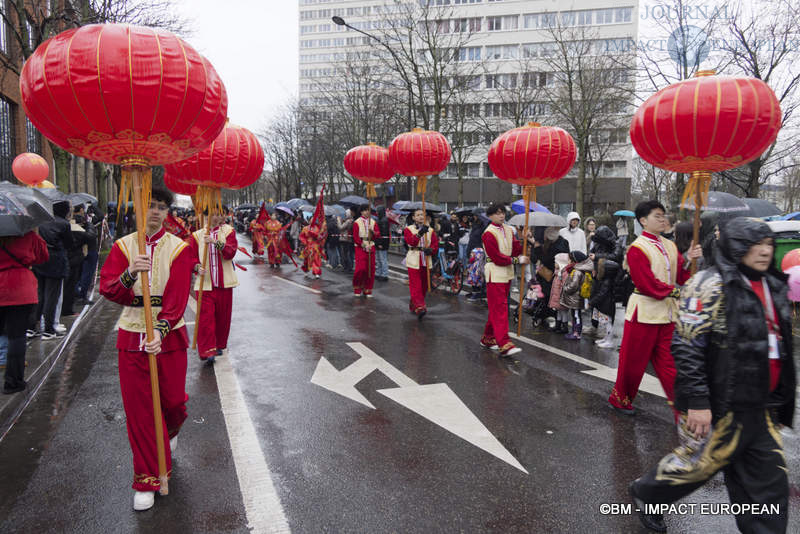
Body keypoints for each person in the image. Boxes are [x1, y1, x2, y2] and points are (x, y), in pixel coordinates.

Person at [629, 217, 795, 534]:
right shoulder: (708, 283)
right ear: (734, 246)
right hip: (723, 404)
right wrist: (698, 401)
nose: (763, 251)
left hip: (762, 406)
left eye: (767, 244)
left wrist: (783, 399)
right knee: (698, 463)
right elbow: (687, 345)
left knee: (769, 482)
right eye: (753, 244)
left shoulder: (773, 283)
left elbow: (780, 345)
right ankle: (647, 492)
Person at [99, 186, 194, 511]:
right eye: (150, 206)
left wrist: (164, 328)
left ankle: (170, 429)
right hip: (132, 333)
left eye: (161, 207)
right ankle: (147, 478)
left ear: (168, 213)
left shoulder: (179, 248)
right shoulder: (123, 247)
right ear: (140, 209)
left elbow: (179, 296)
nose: (155, 212)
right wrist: (129, 274)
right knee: (139, 410)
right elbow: (107, 288)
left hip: (168, 335)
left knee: (172, 402)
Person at [608, 200, 702, 416]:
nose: (663, 219)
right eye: (657, 216)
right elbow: (646, 283)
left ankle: (681, 405)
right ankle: (620, 399)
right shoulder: (637, 248)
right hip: (644, 312)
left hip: (668, 314)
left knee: (670, 363)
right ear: (643, 221)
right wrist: (675, 291)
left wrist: (691, 261)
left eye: (663, 215)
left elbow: (681, 276)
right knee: (632, 363)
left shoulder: (670, 245)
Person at [1, 231, 48, 394]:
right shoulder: (27, 234)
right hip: (20, 289)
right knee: (17, 336)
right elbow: (43, 256)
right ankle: (13, 382)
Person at [188, 210, 238, 362]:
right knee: (205, 319)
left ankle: (218, 345)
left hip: (224, 283)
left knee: (223, 318)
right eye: (211, 214)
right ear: (205, 216)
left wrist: (216, 242)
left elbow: (231, 252)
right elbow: (191, 257)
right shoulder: (196, 235)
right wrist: (196, 267)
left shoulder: (229, 231)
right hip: (205, 284)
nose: (215, 217)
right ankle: (208, 350)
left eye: (218, 214)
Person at [480, 203, 529, 357]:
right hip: (494, 273)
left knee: (497, 307)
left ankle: (488, 338)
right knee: (500, 308)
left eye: (503, 213)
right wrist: (517, 261)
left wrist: (524, 239)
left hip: (506, 273)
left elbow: (515, 249)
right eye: (498, 213)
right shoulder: (488, 233)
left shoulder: (509, 230)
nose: (502, 216)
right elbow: (497, 257)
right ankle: (504, 343)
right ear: (490, 216)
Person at [29, 201, 73, 340]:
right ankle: (49, 329)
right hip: (55, 261)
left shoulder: (41, 222)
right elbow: (69, 243)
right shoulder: (64, 224)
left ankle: (31, 327)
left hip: (40, 260)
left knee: (40, 295)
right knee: (52, 296)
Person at [404, 208, 439, 320]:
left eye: (422, 215)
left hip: (426, 259)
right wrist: (420, 232)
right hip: (414, 258)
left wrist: (431, 250)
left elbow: (435, 244)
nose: (420, 216)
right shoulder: (408, 229)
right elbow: (411, 242)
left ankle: (414, 303)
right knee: (416, 285)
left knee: (424, 285)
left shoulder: (431, 230)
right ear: (413, 217)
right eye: (418, 215)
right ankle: (420, 307)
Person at [559, 251, 593, 340]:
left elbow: (574, 285)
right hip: (575, 298)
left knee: (577, 315)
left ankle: (577, 333)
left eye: (570, 259)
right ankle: (574, 331)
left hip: (576, 298)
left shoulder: (577, 271)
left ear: (575, 261)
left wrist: (565, 288)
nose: (569, 261)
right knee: (575, 315)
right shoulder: (578, 269)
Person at [352, 204, 380, 297]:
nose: (367, 212)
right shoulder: (357, 222)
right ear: (361, 212)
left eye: (368, 210)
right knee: (361, 269)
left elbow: (378, 235)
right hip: (360, 247)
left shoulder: (373, 222)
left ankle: (368, 289)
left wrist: (373, 232)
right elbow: (355, 237)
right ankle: (357, 287)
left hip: (371, 245)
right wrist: (362, 244)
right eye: (365, 210)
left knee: (370, 269)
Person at [375, 206, 390, 282]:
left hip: (382, 243)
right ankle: (379, 273)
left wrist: (380, 243)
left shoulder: (384, 220)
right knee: (378, 259)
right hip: (378, 242)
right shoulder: (380, 219)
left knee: (382, 259)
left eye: (377, 211)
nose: (376, 212)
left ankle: (384, 274)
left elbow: (383, 233)